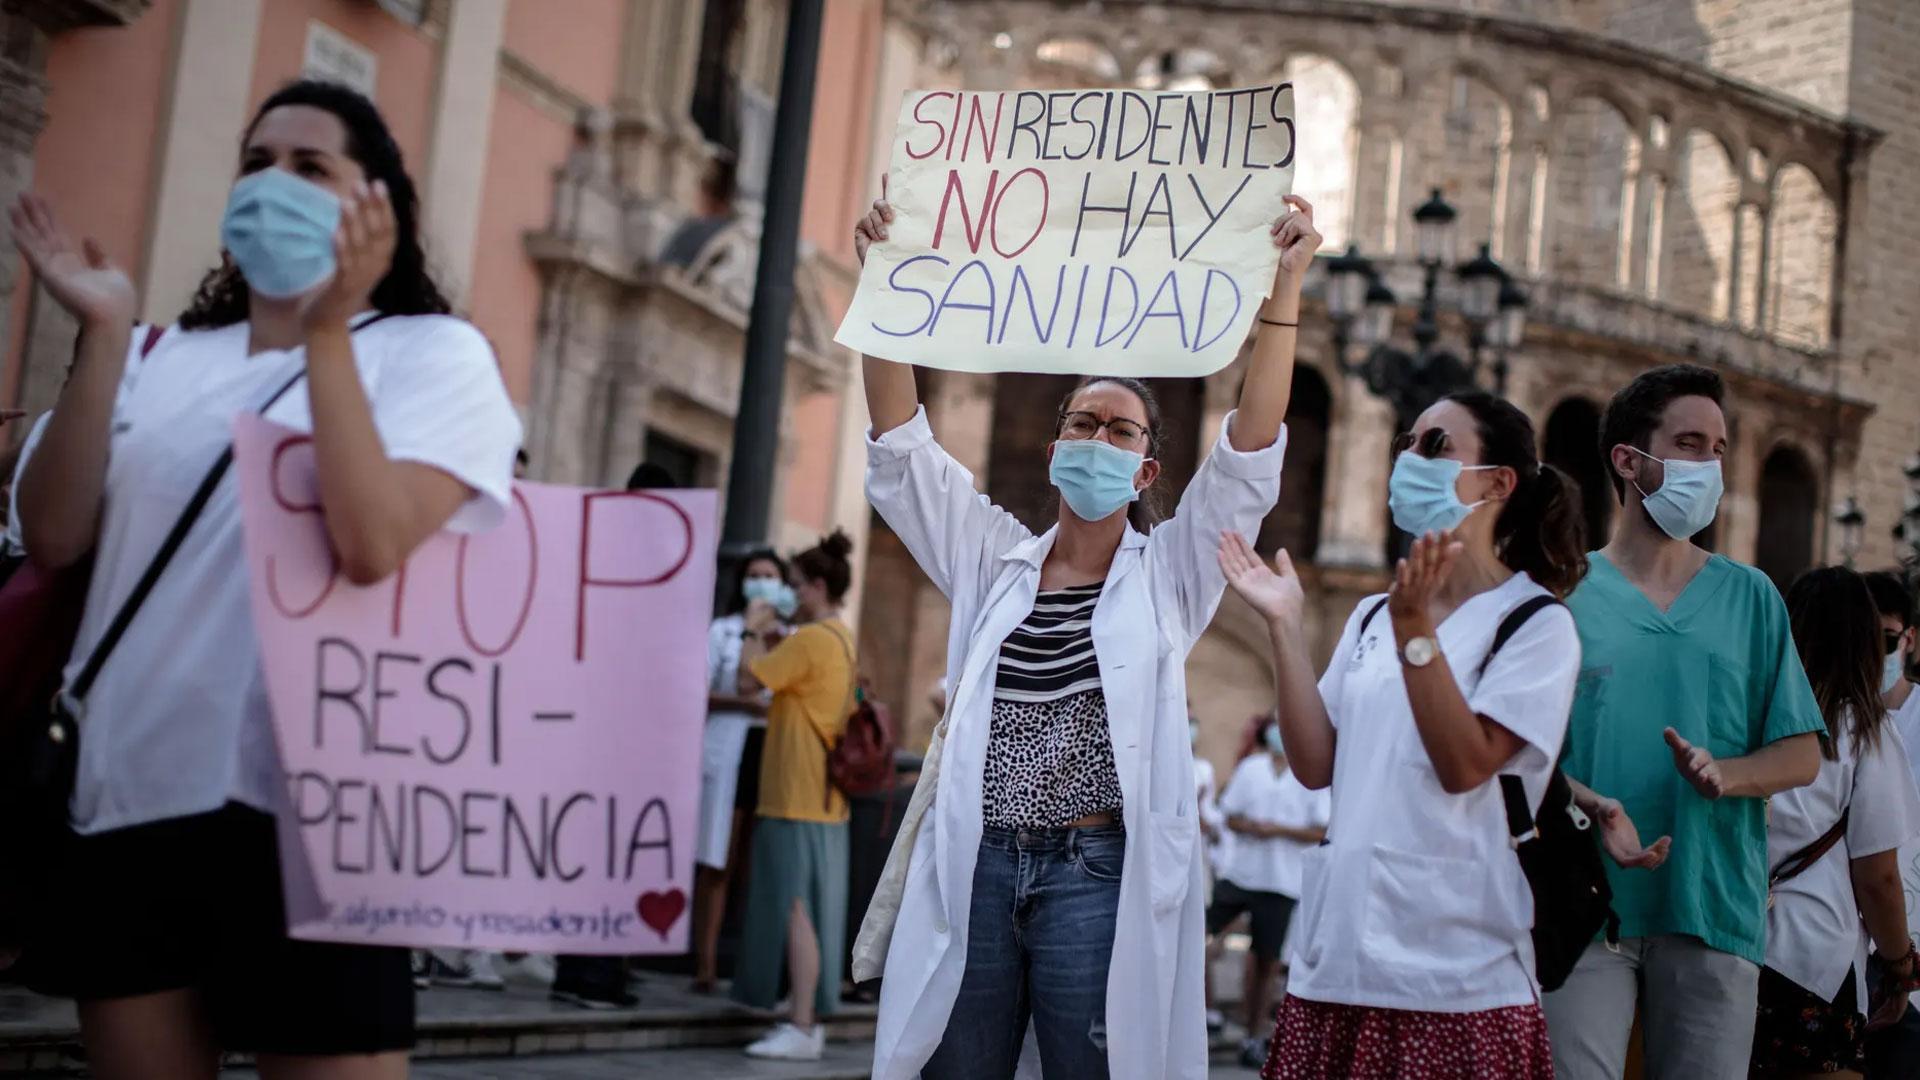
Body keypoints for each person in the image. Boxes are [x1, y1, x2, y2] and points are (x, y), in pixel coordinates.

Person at [6, 79, 519, 1079]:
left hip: (320, 821)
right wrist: (104, 343)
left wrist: (327, 332)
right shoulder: (159, 357)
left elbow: (371, 541)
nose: (271, 184)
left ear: (376, 205)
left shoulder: (433, 355)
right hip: (127, 806)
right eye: (256, 163)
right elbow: (54, 533)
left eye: (309, 167)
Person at [850, 176, 1320, 1080]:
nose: (1098, 438)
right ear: (1055, 445)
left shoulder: (1171, 576)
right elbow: (902, 449)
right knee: (959, 1067)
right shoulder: (995, 561)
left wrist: (1284, 292)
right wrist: (884, 282)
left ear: (1145, 471)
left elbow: (1248, 460)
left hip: (1092, 875)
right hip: (980, 865)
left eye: (1120, 430)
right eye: (1083, 422)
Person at [1220, 390, 1632, 1080]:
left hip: (1452, 973)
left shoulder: (1533, 625)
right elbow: (1315, 763)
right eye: (1408, 444)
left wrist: (1418, 635)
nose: (1410, 459)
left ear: (1498, 482)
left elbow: (1466, 764)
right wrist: (1285, 629)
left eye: (1436, 446)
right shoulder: (1373, 615)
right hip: (1338, 960)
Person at [1543, 364, 1824, 1080]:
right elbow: (1526, 754)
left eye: (1719, 448)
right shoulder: (1565, 598)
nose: (1711, 465)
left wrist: (1724, 773)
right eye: (1691, 443)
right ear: (1629, 461)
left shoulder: (1752, 597)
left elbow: (1800, 754)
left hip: (1713, 904)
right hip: (1584, 912)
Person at [1750, 567, 1920, 1078]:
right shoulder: (1862, 728)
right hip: (1811, 958)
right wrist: (1899, 964)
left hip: (1729, 941)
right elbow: (1879, 876)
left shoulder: (1748, 713)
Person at [732, 530, 859, 1061]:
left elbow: (746, 683)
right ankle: (802, 1009)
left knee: (795, 907)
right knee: (812, 906)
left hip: (794, 792)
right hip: (824, 795)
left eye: (797, 585)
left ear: (817, 587)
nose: (790, 593)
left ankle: (803, 1023)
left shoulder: (808, 641)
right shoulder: (839, 637)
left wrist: (751, 630)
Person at [690, 547, 792, 994]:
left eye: (770, 575)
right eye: (754, 575)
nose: (762, 582)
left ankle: (750, 963)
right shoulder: (724, 630)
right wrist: (742, 703)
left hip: (771, 748)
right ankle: (705, 962)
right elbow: (699, 689)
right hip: (728, 743)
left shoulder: (791, 635)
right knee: (718, 858)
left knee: (758, 862)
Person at [1207, 718, 1329, 1069]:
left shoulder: (1311, 773)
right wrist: (1251, 827)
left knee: (1266, 961)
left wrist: (1277, 830)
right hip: (1241, 875)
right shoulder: (1252, 768)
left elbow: (1320, 829)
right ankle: (1203, 1014)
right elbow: (1228, 817)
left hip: (1281, 882)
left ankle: (1254, 1034)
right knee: (1198, 936)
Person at [1865, 568, 1920, 1079]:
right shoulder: (1825, 722)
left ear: (1909, 640)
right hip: (1837, 958)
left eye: (1884, 640)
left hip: (1910, 954)